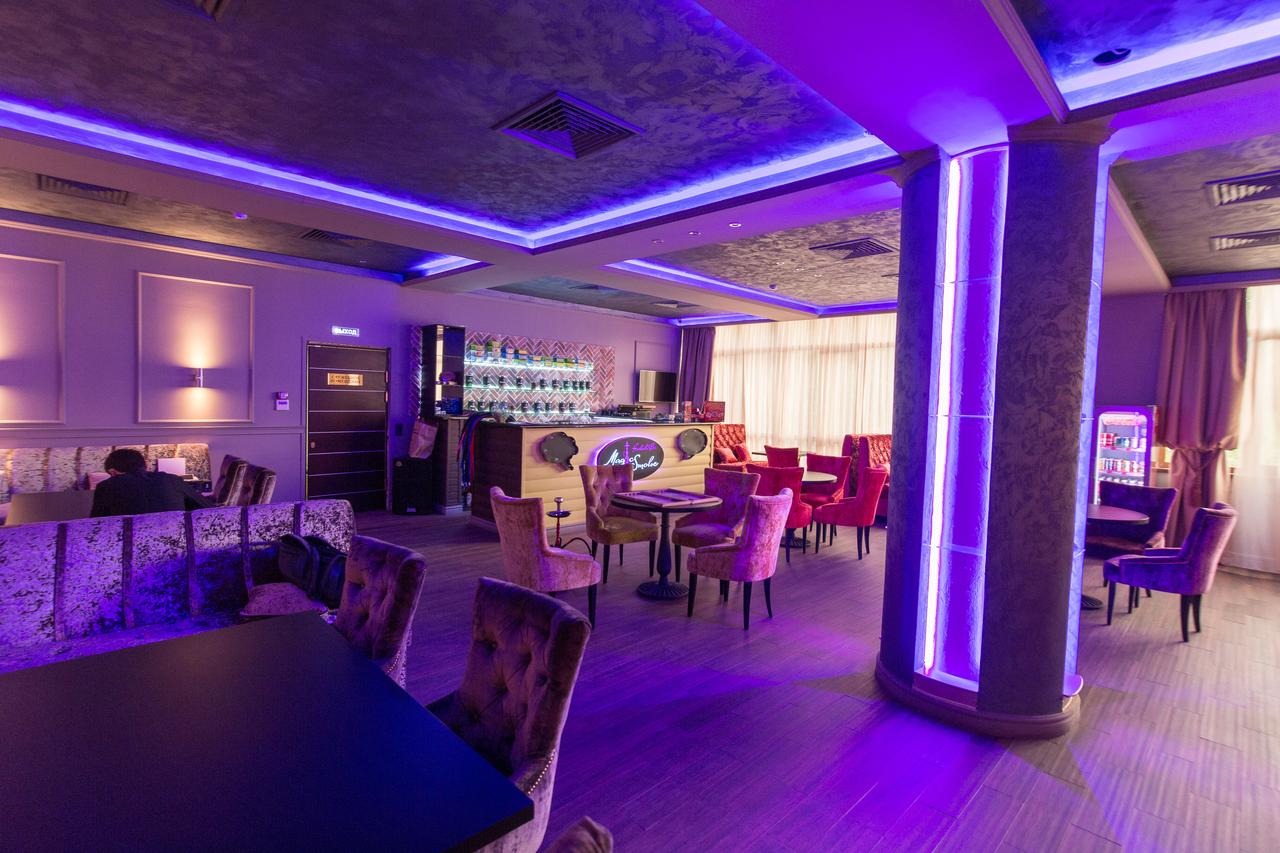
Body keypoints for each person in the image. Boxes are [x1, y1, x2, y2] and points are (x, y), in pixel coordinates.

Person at [90, 448, 214, 518]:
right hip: (177, 549)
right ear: (145, 466)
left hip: (129, 551)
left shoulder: (105, 487)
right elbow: (208, 508)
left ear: (112, 472)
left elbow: (96, 525)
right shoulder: (171, 480)